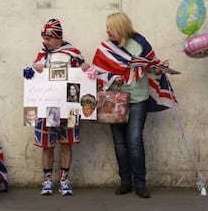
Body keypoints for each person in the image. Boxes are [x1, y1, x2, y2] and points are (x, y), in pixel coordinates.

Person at [92, 12, 177, 199]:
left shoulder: (140, 43)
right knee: (120, 143)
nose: (107, 31)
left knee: (135, 140)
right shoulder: (105, 47)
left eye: (110, 27)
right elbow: (96, 71)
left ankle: (140, 183)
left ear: (120, 28)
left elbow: (151, 66)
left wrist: (160, 67)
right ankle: (125, 182)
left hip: (138, 97)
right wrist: (112, 77)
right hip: (113, 99)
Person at [32, 18, 90, 196]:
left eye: (49, 38)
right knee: (47, 146)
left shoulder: (73, 53)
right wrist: (35, 70)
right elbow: (34, 76)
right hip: (50, 108)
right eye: (44, 37)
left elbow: (83, 74)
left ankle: (64, 180)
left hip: (70, 108)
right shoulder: (42, 55)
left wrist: (85, 68)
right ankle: (47, 180)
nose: (45, 41)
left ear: (58, 38)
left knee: (67, 143)